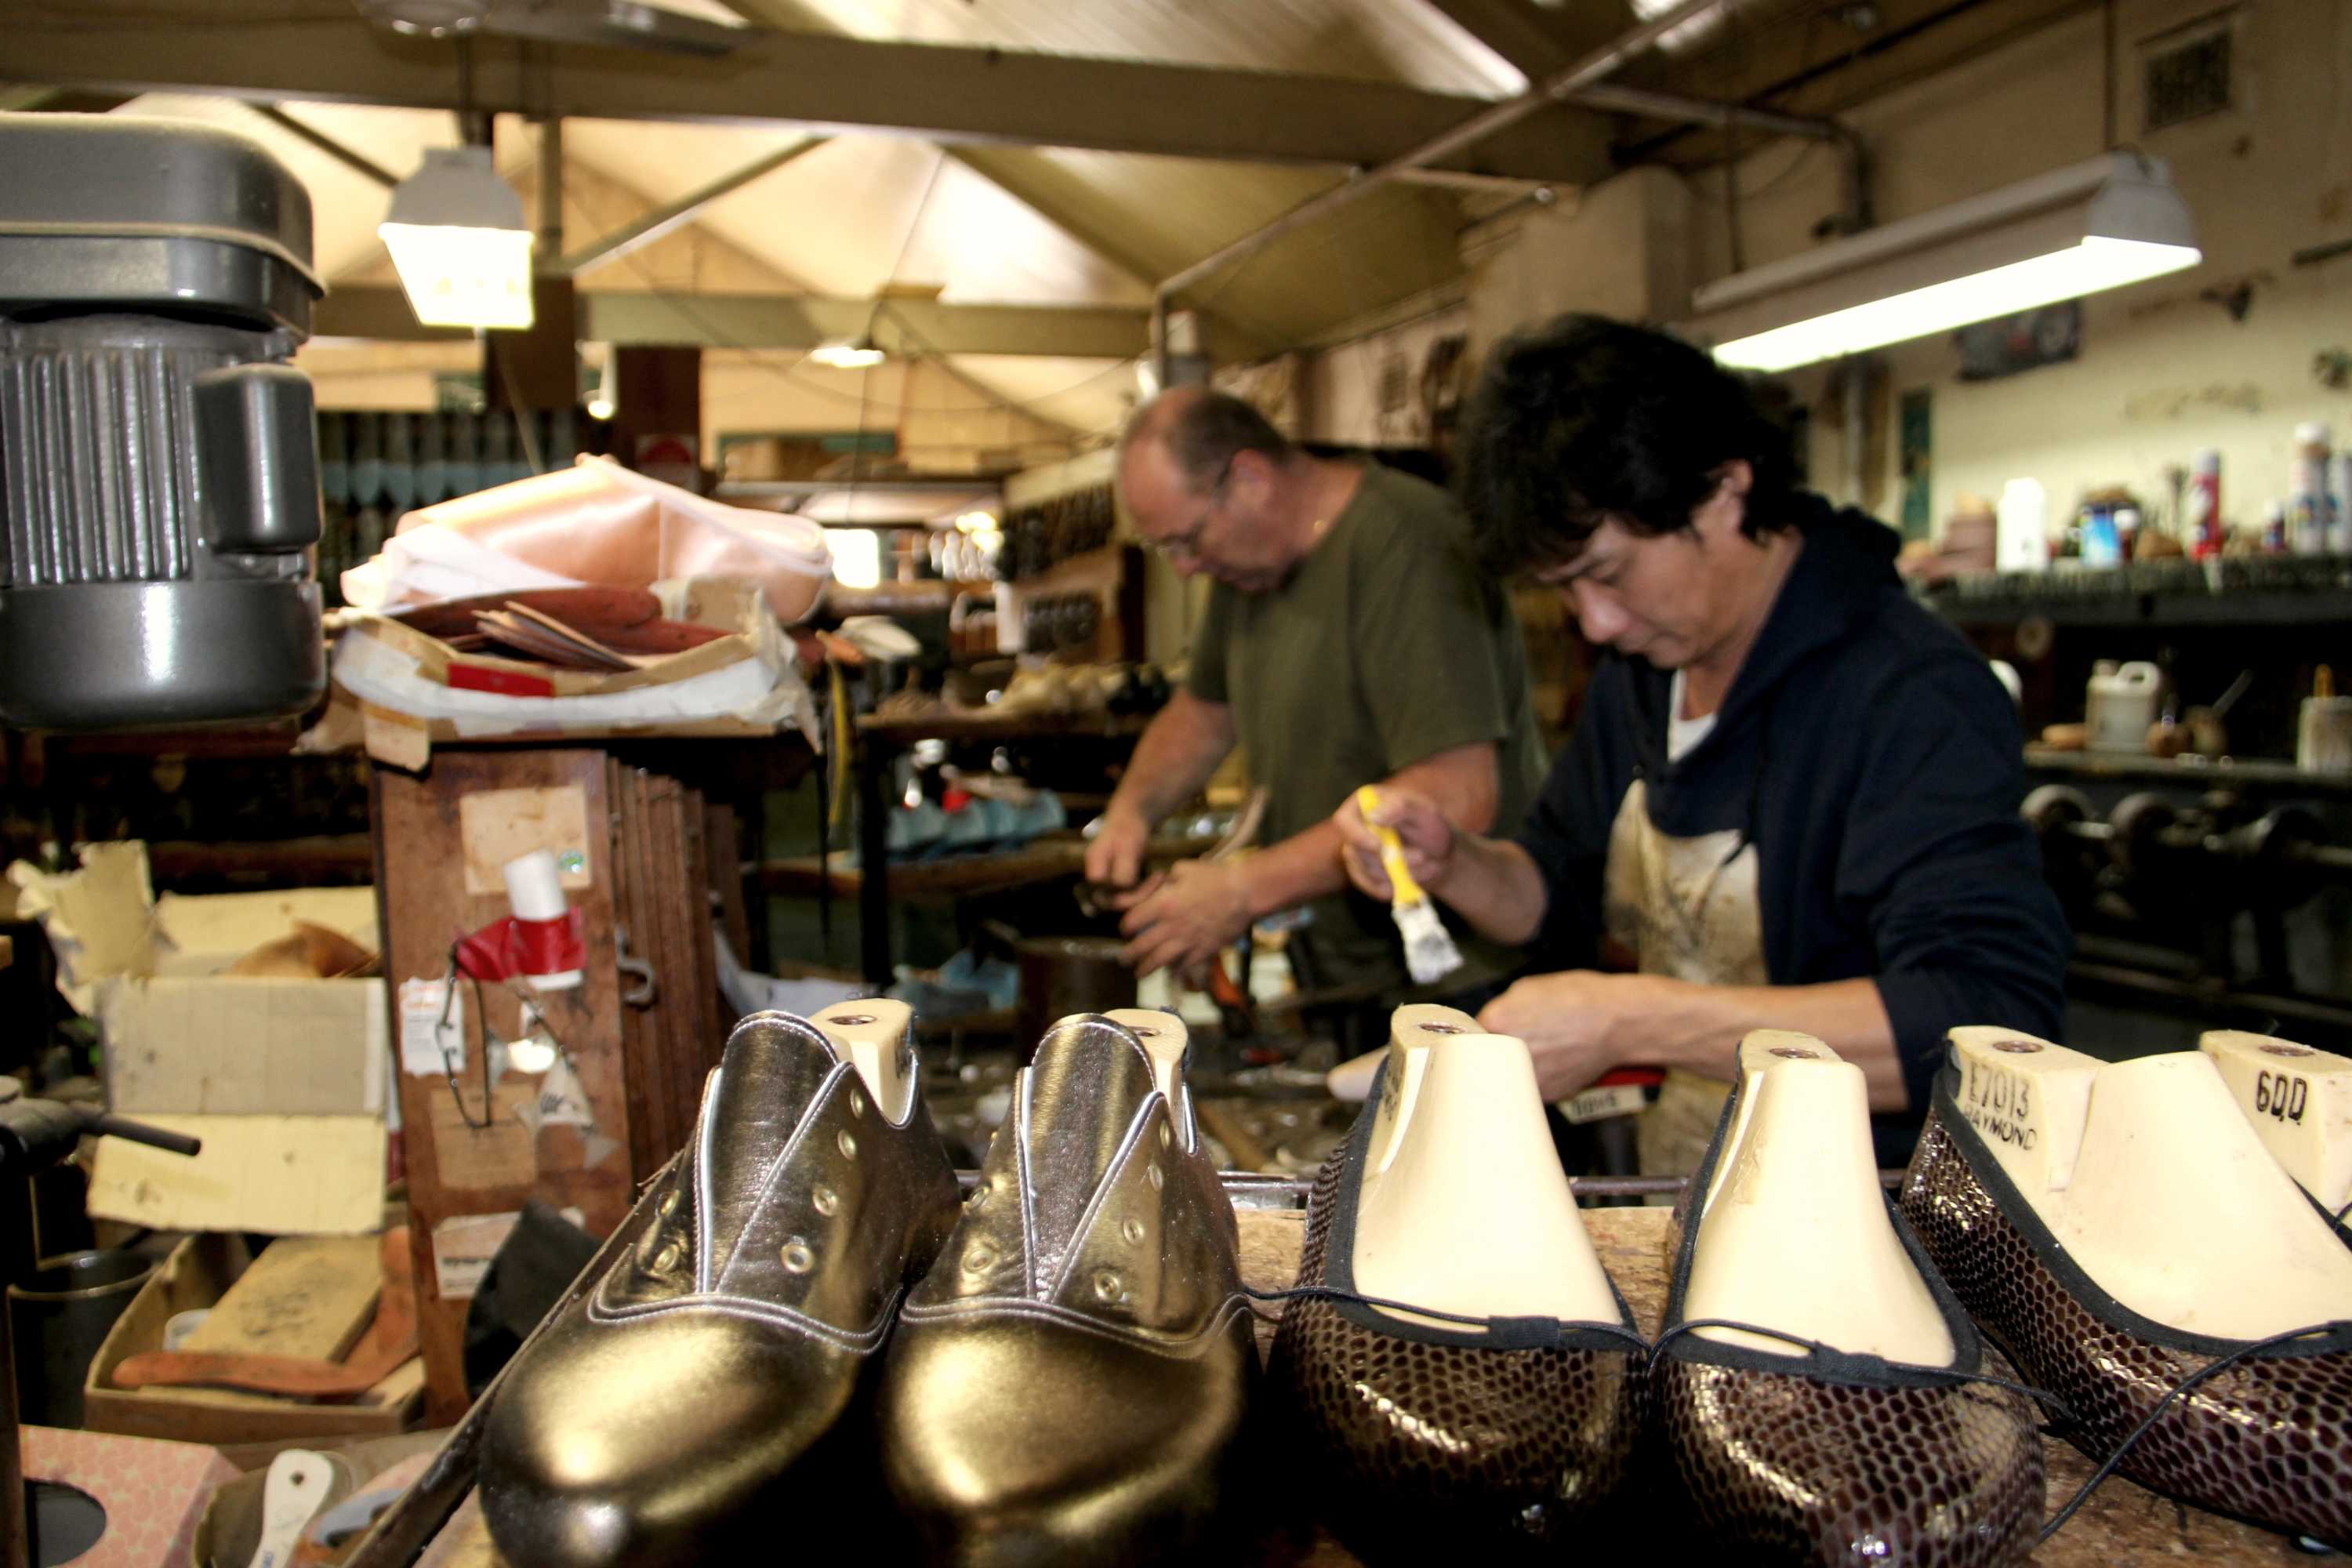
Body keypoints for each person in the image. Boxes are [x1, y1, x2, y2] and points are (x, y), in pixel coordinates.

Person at [1336, 314, 2069, 1170]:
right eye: (1567, 593)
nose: (1598, 623)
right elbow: (1556, 888)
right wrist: (1454, 861)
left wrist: (1635, 1018)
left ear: (1724, 490)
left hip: (1877, 1217)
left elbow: (1991, 1021)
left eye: (1608, 574)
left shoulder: (1909, 693)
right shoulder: (1648, 670)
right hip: (1693, 1188)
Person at [1087, 387, 1548, 1029]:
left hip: (1460, 982)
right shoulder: (1244, 569)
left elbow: (1455, 793)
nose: (1187, 568)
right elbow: (1202, 714)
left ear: (1249, 477)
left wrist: (1244, 889)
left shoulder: (1410, 548)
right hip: (1342, 971)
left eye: (1187, 540)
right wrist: (1131, 813)